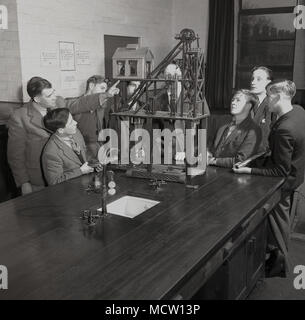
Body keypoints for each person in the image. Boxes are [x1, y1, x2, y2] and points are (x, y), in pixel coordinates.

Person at [233, 80, 305, 277]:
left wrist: (247, 171)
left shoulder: (285, 129)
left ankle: (278, 263)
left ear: (279, 96)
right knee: (279, 221)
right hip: (297, 173)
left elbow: (279, 171)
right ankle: (272, 255)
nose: (267, 101)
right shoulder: (298, 110)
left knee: (279, 223)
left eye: (269, 96)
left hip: (286, 181)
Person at [7, 76, 118, 195]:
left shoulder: (58, 102)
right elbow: (15, 156)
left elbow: (80, 103)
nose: (54, 97)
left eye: (53, 92)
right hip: (38, 181)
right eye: (49, 96)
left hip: (70, 175)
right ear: (37, 99)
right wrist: (24, 183)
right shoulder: (20, 117)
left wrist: (105, 95)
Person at [208, 90, 262, 168]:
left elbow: (242, 160)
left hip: (234, 175)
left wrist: (213, 161)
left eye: (238, 100)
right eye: (233, 100)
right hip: (212, 170)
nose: (233, 103)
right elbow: (213, 149)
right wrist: (207, 153)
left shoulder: (253, 130)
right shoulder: (223, 127)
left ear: (248, 106)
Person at [42, 108, 95, 186]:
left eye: (73, 119)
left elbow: (85, 154)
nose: (75, 122)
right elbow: (55, 182)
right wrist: (80, 171)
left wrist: (95, 164)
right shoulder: (51, 153)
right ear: (61, 130)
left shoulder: (76, 132)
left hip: (87, 184)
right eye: (70, 122)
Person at [74, 75, 115, 159]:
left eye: (105, 89)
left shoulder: (101, 106)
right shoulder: (75, 105)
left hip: (97, 147)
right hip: (82, 150)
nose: (104, 92)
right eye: (102, 88)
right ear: (91, 86)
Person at [250, 66, 275, 152]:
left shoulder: (274, 106)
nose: (253, 82)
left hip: (264, 156)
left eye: (258, 79)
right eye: (252, 79)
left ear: (269, 83)